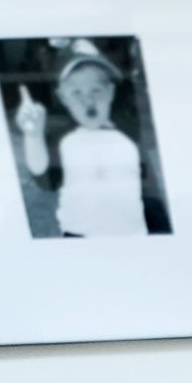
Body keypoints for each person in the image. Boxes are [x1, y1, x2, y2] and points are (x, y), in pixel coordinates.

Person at [15, 44, 147, 239]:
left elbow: (147, 190)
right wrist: (33, 136)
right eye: (76, 93)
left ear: (110, 92)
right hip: (80, 236)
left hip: (131, 234)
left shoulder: (129, 139)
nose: (88, 101)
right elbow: (43, 176)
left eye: (96, 90)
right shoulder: (64, 140)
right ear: (63, 97)